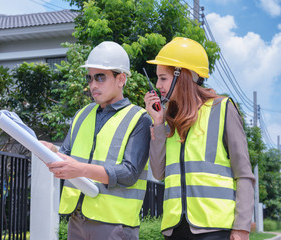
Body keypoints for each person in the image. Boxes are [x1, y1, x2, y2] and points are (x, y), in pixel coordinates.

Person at [143, 37, 255, 240]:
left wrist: (241, 228)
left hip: (214, 229)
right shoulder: (169, 119)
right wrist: (158, 122)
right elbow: (159, 173)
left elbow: (244, 174)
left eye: (163, 78)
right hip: (175, 229)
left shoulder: (222, 109)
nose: (158, 85)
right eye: (157, 78)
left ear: (182, 75)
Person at [42, 41, 152, 240]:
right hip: (77, 220)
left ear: (121, 79)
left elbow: (129, 173)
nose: (92, 85)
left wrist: (81, 169)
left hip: (115, 225)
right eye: (90, 78)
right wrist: (50, 150)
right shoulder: (82, 114)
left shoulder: (140, 119)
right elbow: (66, 157)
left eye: (100, 78)